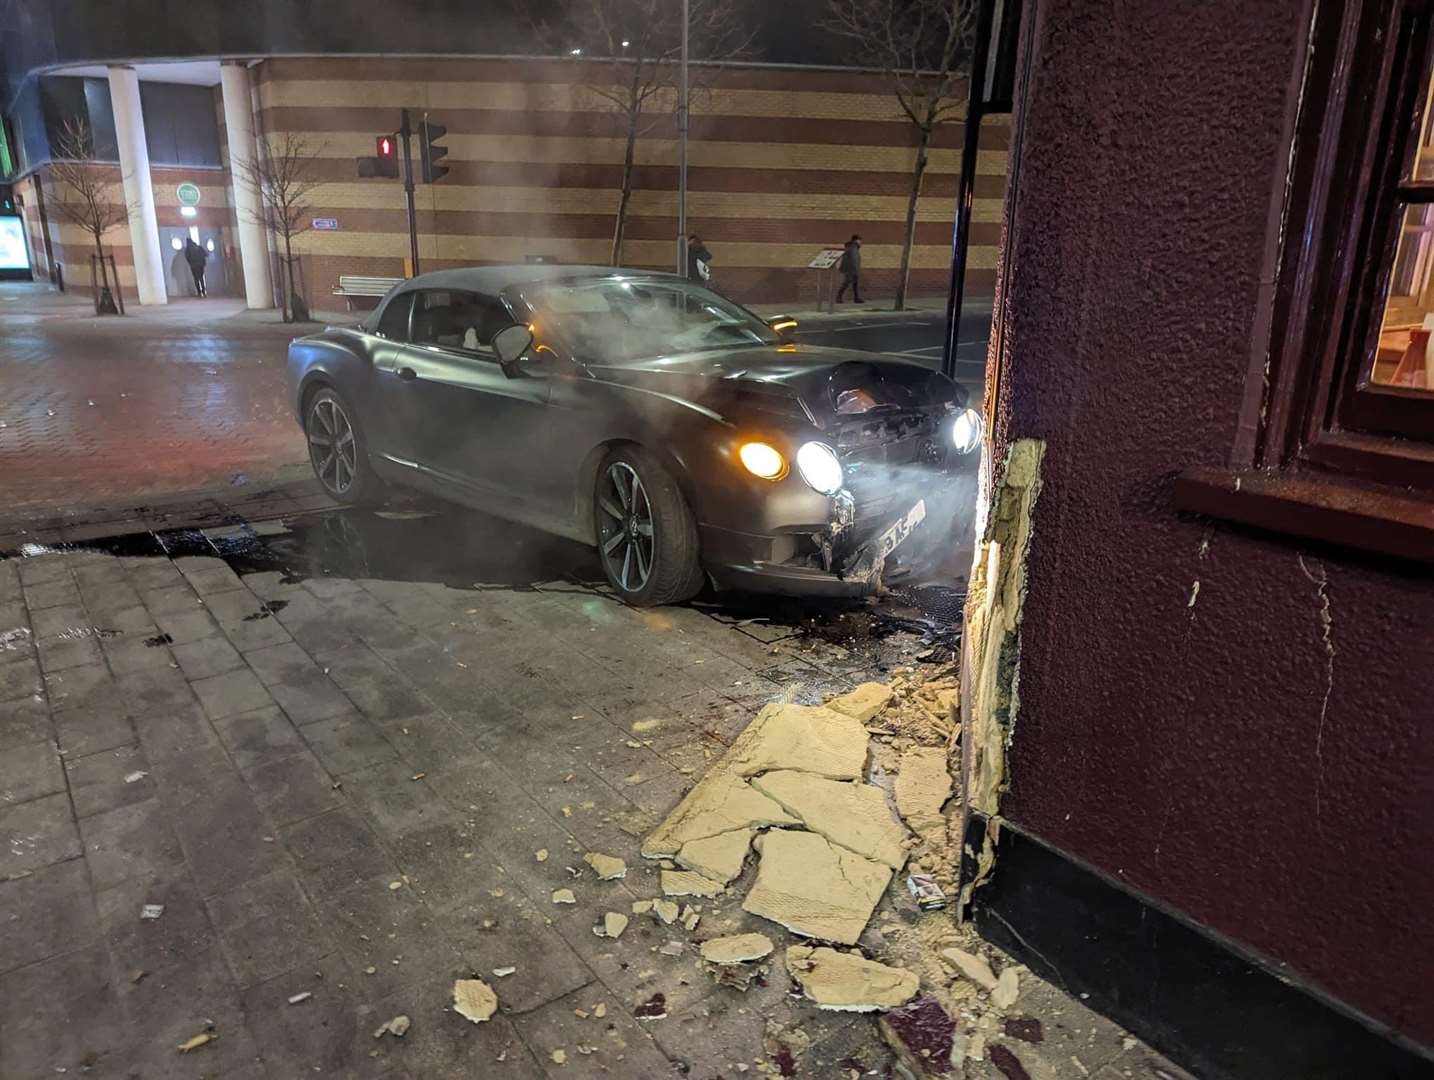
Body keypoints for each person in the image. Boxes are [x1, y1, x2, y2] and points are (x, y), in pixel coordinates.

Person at [836, 234, 863, 303]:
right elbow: (854, 259)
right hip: (851, 269)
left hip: (849, 268)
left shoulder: (850, 247)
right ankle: (838, 297)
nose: (861, 242)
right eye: (860, 240)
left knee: (855, 284)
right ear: (856, 240)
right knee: (847, 283)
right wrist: (856, 269)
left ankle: (856, 298)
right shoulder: (853, 247)